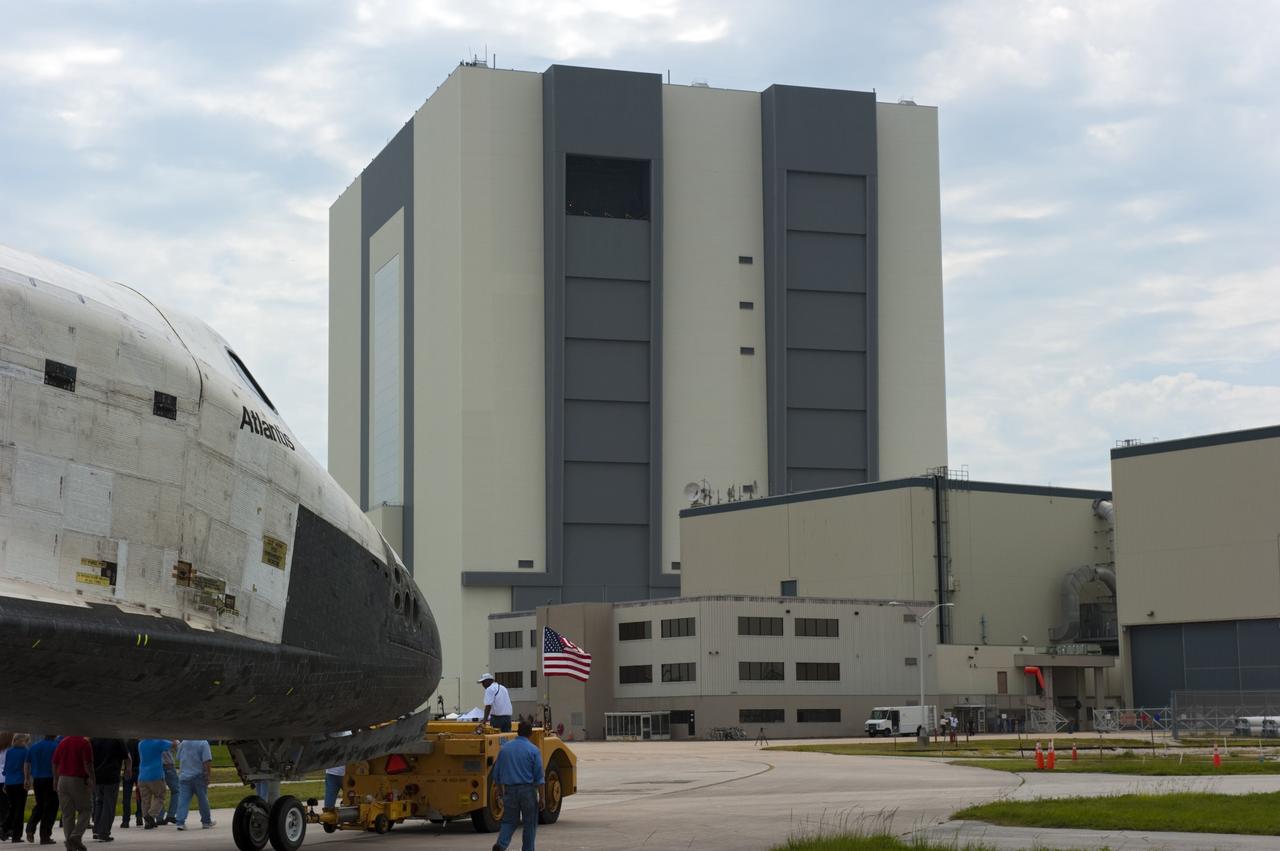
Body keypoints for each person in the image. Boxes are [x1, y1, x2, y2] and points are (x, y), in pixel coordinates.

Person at [490, 721, 544, 851]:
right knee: (529, 824)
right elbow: (539, 778)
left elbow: (496, 774)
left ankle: (501, 845)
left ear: (517, 732)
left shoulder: (505, 749)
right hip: (528, 791)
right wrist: (542, 797)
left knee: (509, 821)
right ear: (530, 734)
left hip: (509, 790)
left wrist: (499, 791)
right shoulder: (533, 750)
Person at [52, 734, 94, 851]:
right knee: (86, 809)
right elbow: (88, 763)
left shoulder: (62, 742)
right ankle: (76, 836)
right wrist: (92, 778)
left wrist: (55, 780)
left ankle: (70, 844)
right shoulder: (84, 743)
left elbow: (55, 762)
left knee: (67, 814)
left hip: (62, 779)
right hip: (77, 779)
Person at [89, 737, 130, 843]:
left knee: (99, 803)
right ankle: (104, 833)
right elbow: (127, 757)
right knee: (109, 805)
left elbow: (89, 759)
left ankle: (97, 830)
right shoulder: (117, 740)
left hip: (97, 777)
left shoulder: (94, 740)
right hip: (111, 776)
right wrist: (128, 770)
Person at [173, 740, 214, 831]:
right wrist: (208, 776)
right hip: (198, 775)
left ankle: (180, 822)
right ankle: (206, 821)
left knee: (183, 800)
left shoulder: (183, 743)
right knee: (202, 799)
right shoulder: (203, 743)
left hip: (184, 776)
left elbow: (178, 757)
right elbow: (207, 761)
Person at [26, 734, 59, 845]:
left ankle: (30, 827)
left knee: (40, 805)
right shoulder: (56, 746)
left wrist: (27, 778)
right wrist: (56, 779)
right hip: (50, 778)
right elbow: (56, 764)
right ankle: (45, 835)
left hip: (37, 779)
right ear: (54, 735)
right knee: (50, 808)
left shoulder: (34, 746)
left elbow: (27, 763)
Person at [135, 738, 170, 829]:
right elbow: (174, 744)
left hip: (142, 775)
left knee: (145, 800)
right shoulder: (158, 742)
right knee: (160, 796)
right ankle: (150, 816)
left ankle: (147, 823)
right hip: (156, 775)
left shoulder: (141, 744)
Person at [3, 734, 31, 843]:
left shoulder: (9, 751)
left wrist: (6, 783)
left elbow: (6, 768)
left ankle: (4, 828)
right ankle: (16, 835)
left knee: (12, 808)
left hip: (9, 783)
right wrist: (27, 780)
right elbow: (26, 767)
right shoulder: (26, 751)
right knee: (19, 810)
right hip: (20, 782)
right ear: (23, 740)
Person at [118, 741, 140, 830]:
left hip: (128, 770)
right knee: (139, 795)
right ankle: (139, 817)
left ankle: (125, 820)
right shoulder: (140, 742)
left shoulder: (126, 743)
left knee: (126, 797)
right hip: (139, 770)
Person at [161, 742, 180, 825]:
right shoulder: (171, 738)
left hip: (157, 766)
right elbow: (179, 749)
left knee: (159, 792)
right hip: (168, 765)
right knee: (176, 790)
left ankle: (159, 817)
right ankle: (171, 815)